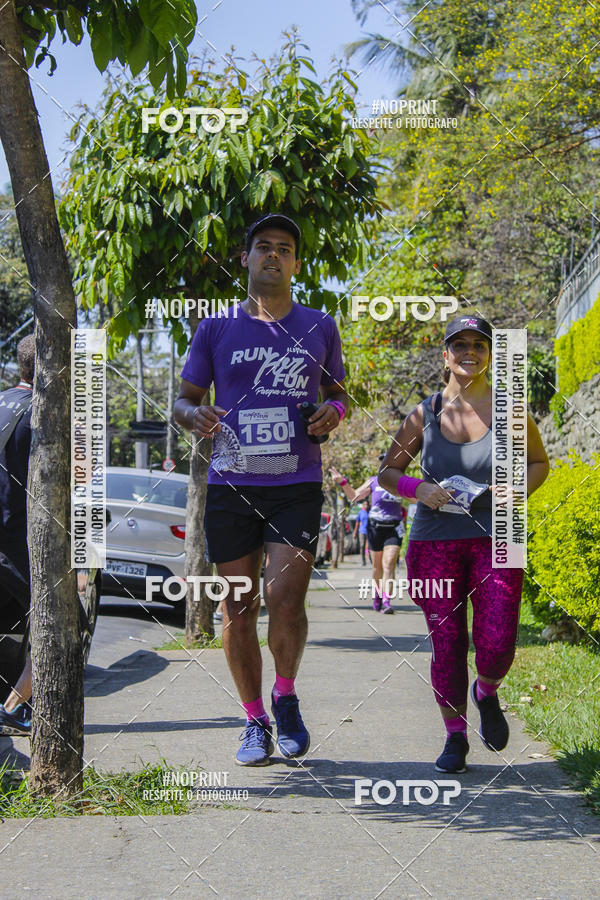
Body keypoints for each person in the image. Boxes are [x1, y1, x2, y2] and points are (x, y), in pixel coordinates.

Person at [174, 213, 347, 766]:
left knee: (284, 598)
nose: (273, 255)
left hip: (295, 483)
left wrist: (332, 412)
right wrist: (194, 415)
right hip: (231, 483)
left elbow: (340, 394)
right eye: (263, 247)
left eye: (285, 249)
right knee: (238, 608)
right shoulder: (215, 328)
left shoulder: (320, 324)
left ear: (296, 263)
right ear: (246, 259)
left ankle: (286, 696)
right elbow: (184, 400)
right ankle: (254, 720)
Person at [378, 315, 549, 773]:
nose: (469, 351)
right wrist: (420, 490)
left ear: (490, 353)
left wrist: (515, 491)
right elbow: (387, 473)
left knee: (498, 641)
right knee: (447, 642)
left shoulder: (511, 409)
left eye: (479, 343)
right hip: (436, 540)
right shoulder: (426, 413)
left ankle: (486, 691)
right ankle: (455, 737)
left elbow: (538, 464)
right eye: (460, 344)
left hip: (500, 536)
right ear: (445, 355)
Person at [0, 334, 36, 736]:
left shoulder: (3, 400)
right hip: (16, 541)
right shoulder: (42, 413)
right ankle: (13, 707)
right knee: (63, 625)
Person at [330, 458, 406, 613]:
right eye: (383, 462)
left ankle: (386, 601)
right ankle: (377, 594)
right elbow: (354, 497)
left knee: (389, 564)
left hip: (394, 527)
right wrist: (342, 482)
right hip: (375, 528)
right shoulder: (374, 481)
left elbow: (416, 497)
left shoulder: (401, 482)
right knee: (377, 567)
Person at [353, 499, 369, 565]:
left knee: (370, 546)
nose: (366, 506)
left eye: (367, 505)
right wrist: (355, 532)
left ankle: (371, 560)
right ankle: (363, 561)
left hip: (370, 531)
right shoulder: (361, 512)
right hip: (362, 531)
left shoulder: (371, 512)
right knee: (362, 545)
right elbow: (357, 522)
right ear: (363, 505)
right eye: (365, 504)